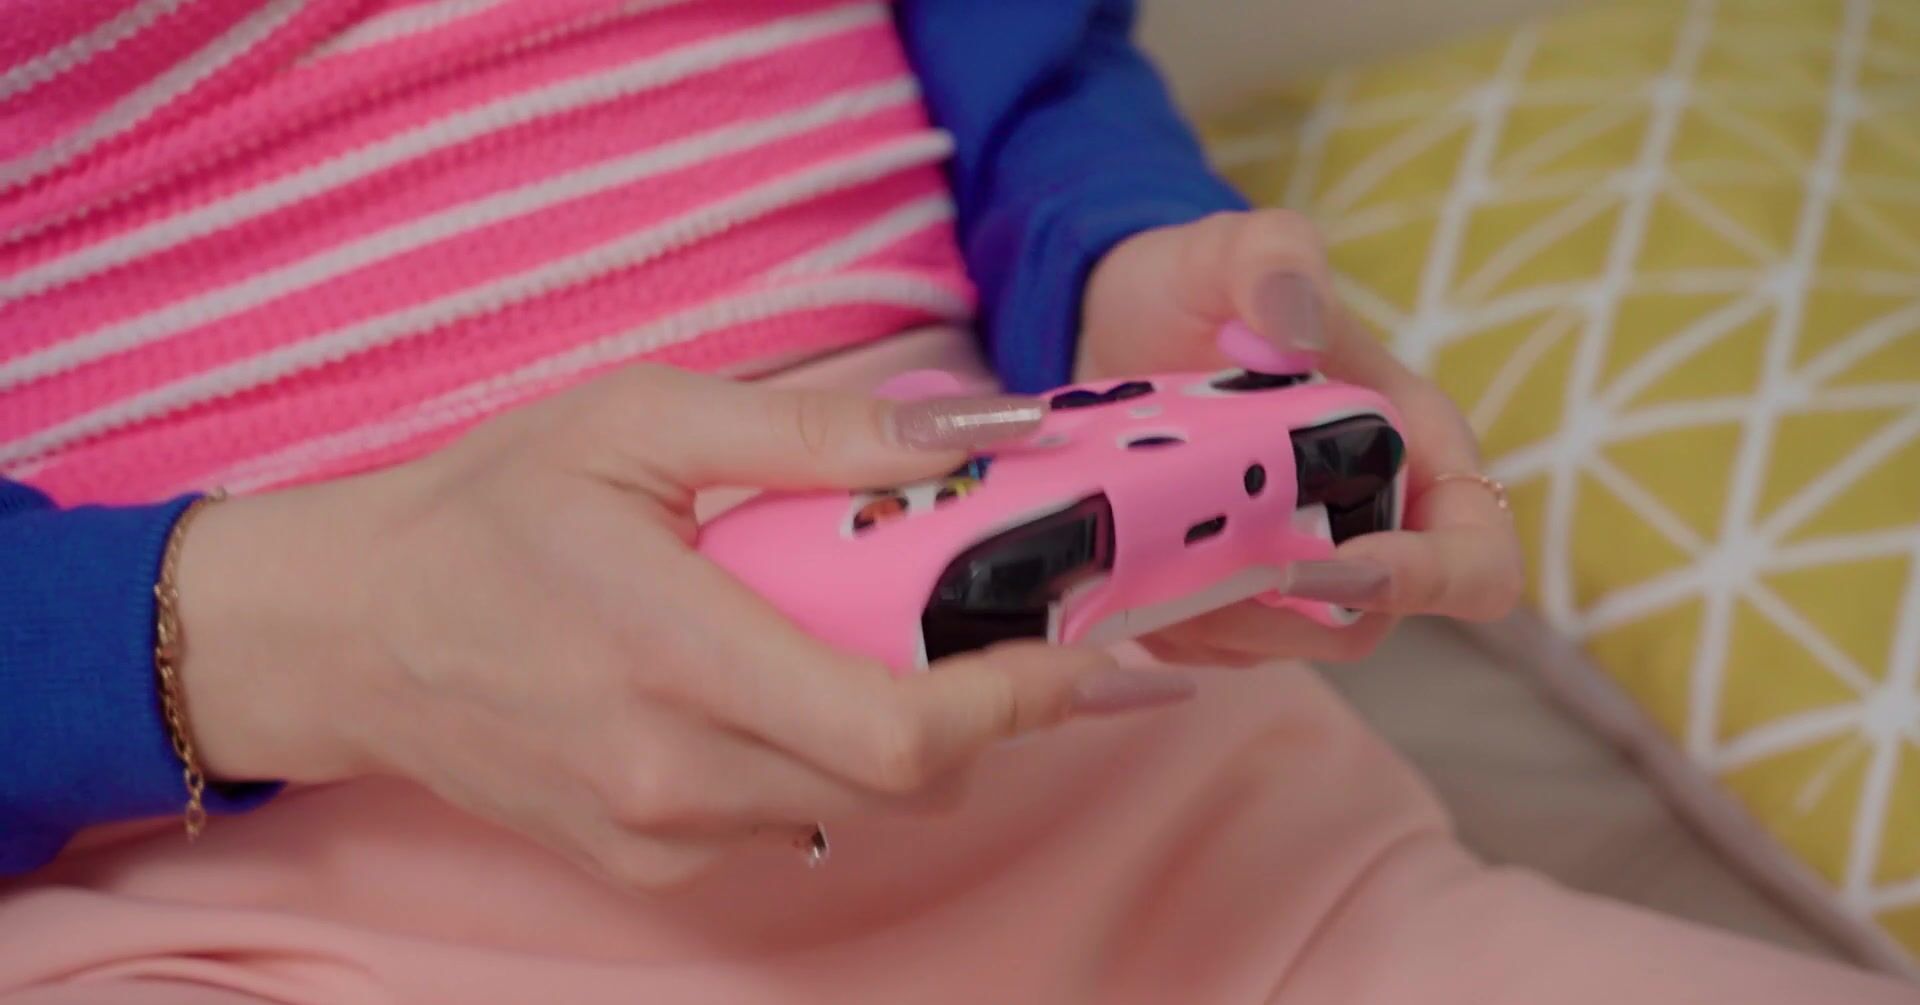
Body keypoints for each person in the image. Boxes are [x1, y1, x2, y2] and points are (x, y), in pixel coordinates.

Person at [0, 1, 1911, 1002]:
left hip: (1196, 855)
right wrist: (303, 634)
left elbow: (1027, 65)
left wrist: (1122, 264)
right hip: (249, 929)